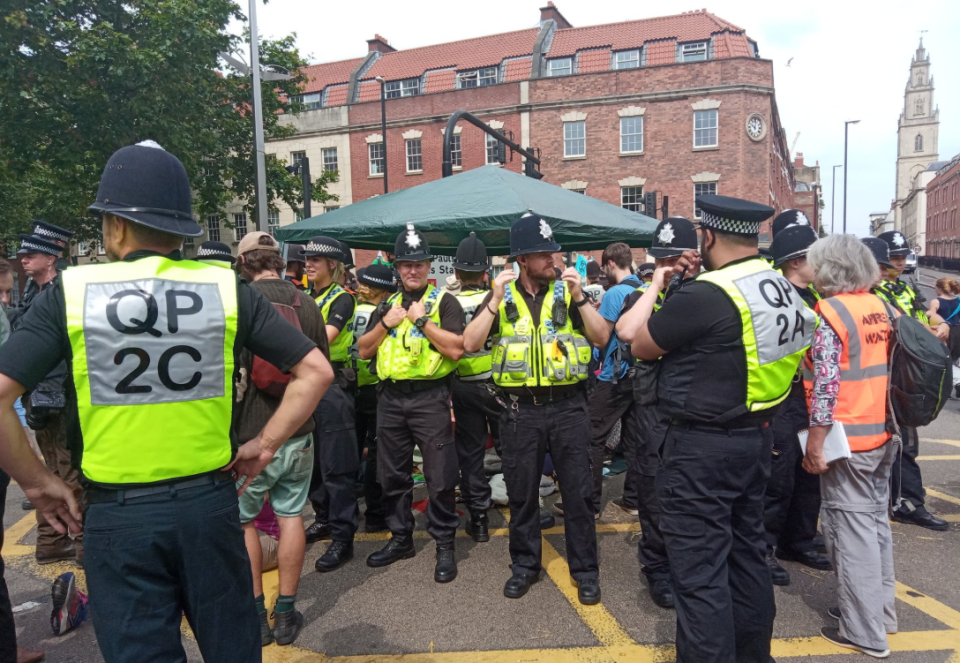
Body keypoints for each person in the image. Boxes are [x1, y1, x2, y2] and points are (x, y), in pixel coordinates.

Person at [0, 141, 332, 663]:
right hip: (209, 504)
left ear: (115, 224)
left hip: (117, 516)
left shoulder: (72, 290)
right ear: (183, 229)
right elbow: (315, 370)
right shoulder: (224, 288)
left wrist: (37, 482)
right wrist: (265, 444)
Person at [629, 195, 816, 663]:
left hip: (700, 449)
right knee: (747, 558)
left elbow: (642, 346)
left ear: (707, 237)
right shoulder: (783, 287)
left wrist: (675, 286)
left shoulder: (707, 294)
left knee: (699, 575)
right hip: (759, 435)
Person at [463, 213, 606, 605]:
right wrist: (492, 299)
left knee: (577, 493)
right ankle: (524, 566)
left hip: (569, 407)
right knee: (522, 494)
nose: (552, 260)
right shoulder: (501, 297)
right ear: (522, 259)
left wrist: (580, 298)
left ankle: (585, 571)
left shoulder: (568, 292)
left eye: (552, 253)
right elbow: (470, 344)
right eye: (543, 254)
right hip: (520, 411)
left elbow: (602, 337)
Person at [801, 234, 897, 659]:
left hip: (847, 438)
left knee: (849, 532)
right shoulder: (880, 306)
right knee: (876, 526)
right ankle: (880, 614)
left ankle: (864, 632)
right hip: (880, 432)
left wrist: (815, 444)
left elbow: (826, 385)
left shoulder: (831, 312)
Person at [233, 231, 329, 647]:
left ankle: (256, 614)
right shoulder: (305, 302)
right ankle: (286, 612)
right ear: (279, 261)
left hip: (253, 435)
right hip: (298, 432)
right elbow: (321, 365)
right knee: (292, 516)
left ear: (243, 263)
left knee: (244, 522)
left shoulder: (239, 304)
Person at [358, 223, 465, 583]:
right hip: (389, 399)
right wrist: (386, 324)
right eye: (406, 264)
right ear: (396, 267)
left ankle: (445, 544)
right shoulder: (386, 305)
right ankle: (401, 537)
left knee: (439, 477)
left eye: (419, 263)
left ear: (429, 265)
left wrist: (423, 323)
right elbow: (363, 350)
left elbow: (455, 349)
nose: (413, 270)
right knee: (391, 475)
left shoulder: (443, 303)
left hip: (429, 399)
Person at [616, 216, 700, 610]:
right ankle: (658, 567)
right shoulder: (642, 295)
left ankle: (687, 563)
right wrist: (655, 285)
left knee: (693, 493)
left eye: (676, 258)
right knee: (653, 493)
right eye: (661, 258)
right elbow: (627, 333)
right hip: (652, 409)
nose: (670, 266)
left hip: (695, 410)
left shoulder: (704, 291)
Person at [762, 225, 831, 586]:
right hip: (785, 398)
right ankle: (765, 548)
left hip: (811, 398)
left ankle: (799, 539)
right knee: (778, 478)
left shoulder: (816, 296)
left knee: (808, 475)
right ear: (796, 261)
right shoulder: (779, 297)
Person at [872, 230, 948, 532]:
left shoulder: (906, 287)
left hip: (910, 375)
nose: (901, 263)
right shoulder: (875, 293)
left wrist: (939, 322)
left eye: (904, 256)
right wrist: (924, 328)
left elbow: (922, 314)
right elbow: (904, 327)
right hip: (891, 377)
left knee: (906, 444)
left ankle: (905, 500)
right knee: (898, 444)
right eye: (894, 258)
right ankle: (905, 503)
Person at [14, 232, 82, 566]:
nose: (24, 260)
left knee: (70, 470)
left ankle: (77, 544)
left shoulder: (62, 293)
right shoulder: (32, 293)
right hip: (39, 395)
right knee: (54, 469)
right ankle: (55, 541)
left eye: (30, 255)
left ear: (51, 259)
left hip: (61, 395)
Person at [302, 236, 360, 572]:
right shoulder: (308, 297)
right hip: (308, 384)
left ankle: (343, 535)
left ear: (333, 265)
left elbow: (325, 337)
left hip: (333, 384)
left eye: (316, 260)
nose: (308, 264)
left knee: (337, 465)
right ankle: (323, 518)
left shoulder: (342, 299)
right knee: (313, 463)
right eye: (307, 259)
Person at [584, 242, 641, 520]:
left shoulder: (615, 292)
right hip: (637, 374)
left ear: (609, 264)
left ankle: (591, 504)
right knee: (633, 439)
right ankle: (632, 499)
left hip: (613, 375)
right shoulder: (643, 289)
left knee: (591, 437)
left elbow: (601, 337)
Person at [450, 232, 498, 542]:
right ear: (485, 272)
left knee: (470, 454)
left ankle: (478, 518)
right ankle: (525, 507)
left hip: (462, 385)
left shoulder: (447, 302)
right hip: (498, 383)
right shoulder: (495, 300)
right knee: (514, 450)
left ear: (455, 272)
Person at [350, 265, 397, 533]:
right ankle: (376, 514)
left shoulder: (349, 308)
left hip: (348, 385)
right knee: (377, 454)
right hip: (376, 387)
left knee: (350, 452)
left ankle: (348, 508)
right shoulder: (383, 314)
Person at [927, 277, 960, 396]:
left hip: (943, 331)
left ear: (939, 288)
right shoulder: (958, 301)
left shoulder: (936, 301)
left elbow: (931, 315)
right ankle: (955, 382)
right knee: (953, 359)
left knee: (943, 359)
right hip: (957, 332)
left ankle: (951, 383)